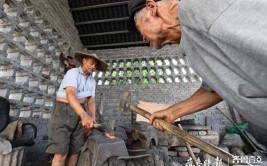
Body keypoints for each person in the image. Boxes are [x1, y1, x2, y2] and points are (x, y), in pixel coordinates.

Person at [127, 0, 267, 144]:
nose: (143, 38)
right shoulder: (191, 44)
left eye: (139, 28)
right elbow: (216, 88)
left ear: (151, 8)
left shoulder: (198, 6)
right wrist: (172, 112)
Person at [46, 51, 108, 166]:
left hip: (79, 113)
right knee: (61, 153)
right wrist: (84, 115)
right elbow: (70, 95)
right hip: (63, 111)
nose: (93, 66)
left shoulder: (92, 81)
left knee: (74, 152)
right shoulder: (72, 73)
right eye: (92, 63)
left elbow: (91, 101)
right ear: (83, 60)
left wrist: (92, 120)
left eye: (95, 65)